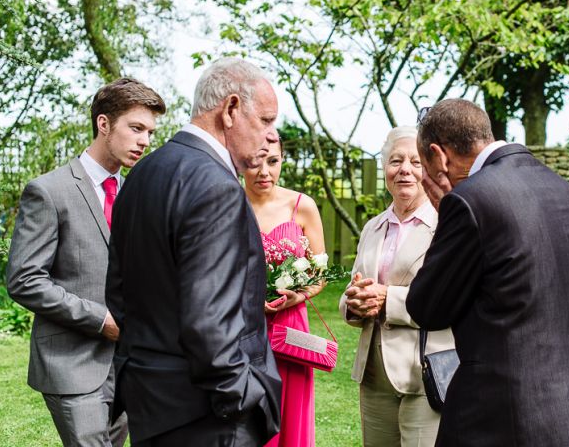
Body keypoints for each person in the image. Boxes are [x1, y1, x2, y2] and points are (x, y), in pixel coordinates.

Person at [105, 58, 282, 446]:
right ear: (231, 109)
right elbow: (210, 321)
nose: (272, 134)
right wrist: (241, 396)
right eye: (266, 119)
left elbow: (118, 295)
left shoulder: (141, 175)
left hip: (150, 404)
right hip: (208, 415)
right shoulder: (216, 185)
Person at [405, 99, 569, 446]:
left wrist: (443, 211)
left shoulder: (468, 199)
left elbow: (426, 307)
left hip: (495, 422)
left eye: (424, 165)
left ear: (439, 155)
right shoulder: (564, 191)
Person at [6, 78, 166, 447]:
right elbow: (24, 279)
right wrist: (100, 321)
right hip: (72, 365)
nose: (145, 140)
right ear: (104, 124)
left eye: (150, 132)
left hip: (130, 364)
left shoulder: (137, 193)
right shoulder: (49, 191)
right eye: (136, 128)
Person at [339, 126, 454, 447]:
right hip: (373, 373)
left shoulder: (446, 226)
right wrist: (353, 303)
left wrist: (385, 300)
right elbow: (354, 287)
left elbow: (447, 301)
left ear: (429, 170)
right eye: (395, 161)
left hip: (423, 372)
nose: (404, 169)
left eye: (415, 162)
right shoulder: (372, 227)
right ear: (385, 170)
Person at [243, 138, 326, 447]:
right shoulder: (228, 204)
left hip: (291, 328)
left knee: (290, 417)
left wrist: (298, 295)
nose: (264, 172)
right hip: (243, 327)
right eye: (254, 162)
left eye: (273, 162)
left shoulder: (302, 206)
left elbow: (320, 277)